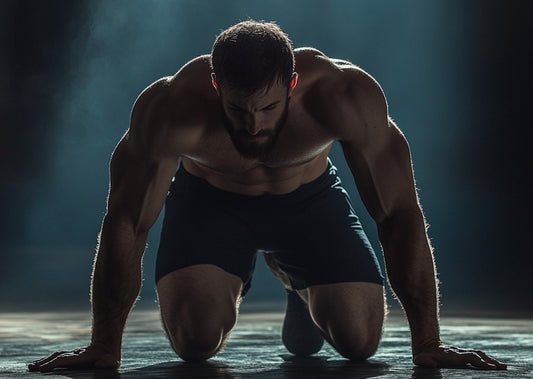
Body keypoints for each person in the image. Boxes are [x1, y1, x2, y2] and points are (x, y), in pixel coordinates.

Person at [29, 20, 506, 372]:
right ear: (216, 85)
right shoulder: (170, 109)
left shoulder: (344, 96)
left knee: (361, 342)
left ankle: (297, 284)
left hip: (308, 204)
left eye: (269, 108)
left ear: (292, 84)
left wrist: (427, 344)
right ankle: (255, 273)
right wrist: (105, 346)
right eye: (237, 109)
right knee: (195, 343)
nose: (253, 125)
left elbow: (400, 215)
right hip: (209, 205)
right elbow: (127, 222)